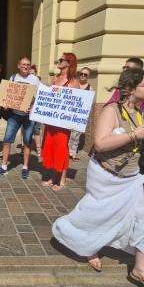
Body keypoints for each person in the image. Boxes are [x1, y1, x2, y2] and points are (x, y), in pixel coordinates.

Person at [52, 68, 144, 287]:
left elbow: (139, 144)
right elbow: (100, 143)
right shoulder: (111, 111)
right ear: (131, 88)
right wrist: (135, 135)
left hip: (133, 179)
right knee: (94, 216)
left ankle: (140, 269)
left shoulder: (140, 112)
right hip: (106, 177)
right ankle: (85, 245)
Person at [0, 57, 40, 180]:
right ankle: (4, 166)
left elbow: (40, 97)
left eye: (28, 64)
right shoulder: (13, 78)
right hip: (14, 115)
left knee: (27, 142)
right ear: (18, 65)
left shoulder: (35, 80)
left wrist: (33, 108)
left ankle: (25, 167)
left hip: (29, 116)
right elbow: (7, 95)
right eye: (23, 64)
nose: (26, 66)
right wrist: (6, 104)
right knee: (7, 140)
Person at [41, 53, 80, 190]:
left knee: (61, 149)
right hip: (51, 122)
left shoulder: (73, 82)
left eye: (61, 60)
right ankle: (53, 177)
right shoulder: (55, 78)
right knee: (51, 148)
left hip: (64, 124)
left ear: (68, 63)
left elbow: (77, 104)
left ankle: (62, 179)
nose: (59, 61)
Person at [68, 66, 93, 161]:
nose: (82, 76)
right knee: (68, 133)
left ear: (88, 77)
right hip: (69, 112)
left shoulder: (90, 88)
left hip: (80, 115)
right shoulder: (73, 84)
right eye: (81, 74)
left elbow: (89, 103)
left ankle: (73, 152)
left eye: (85, 75)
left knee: (76, 134)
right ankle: (66, 151)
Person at [29, 64, 42, 158]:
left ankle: (38, 148)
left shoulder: (40, 84)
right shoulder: (26, 82)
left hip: (37, 110)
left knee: (36, 129)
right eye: (30, 73)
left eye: (33, 73)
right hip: (27, 110)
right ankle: (24, 147)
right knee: (24, 129)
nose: (31, 75)